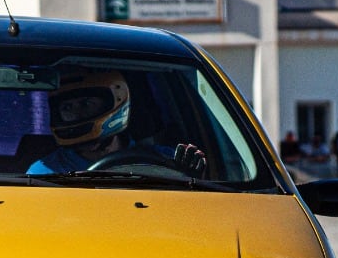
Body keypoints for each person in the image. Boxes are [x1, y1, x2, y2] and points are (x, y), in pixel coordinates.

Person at [26, 70, 206, 178]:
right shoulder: (44, 173)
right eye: (67, 108)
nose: (77, 114)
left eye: (87, 104)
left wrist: (190, 179)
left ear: (116, 102)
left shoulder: (165, 162)